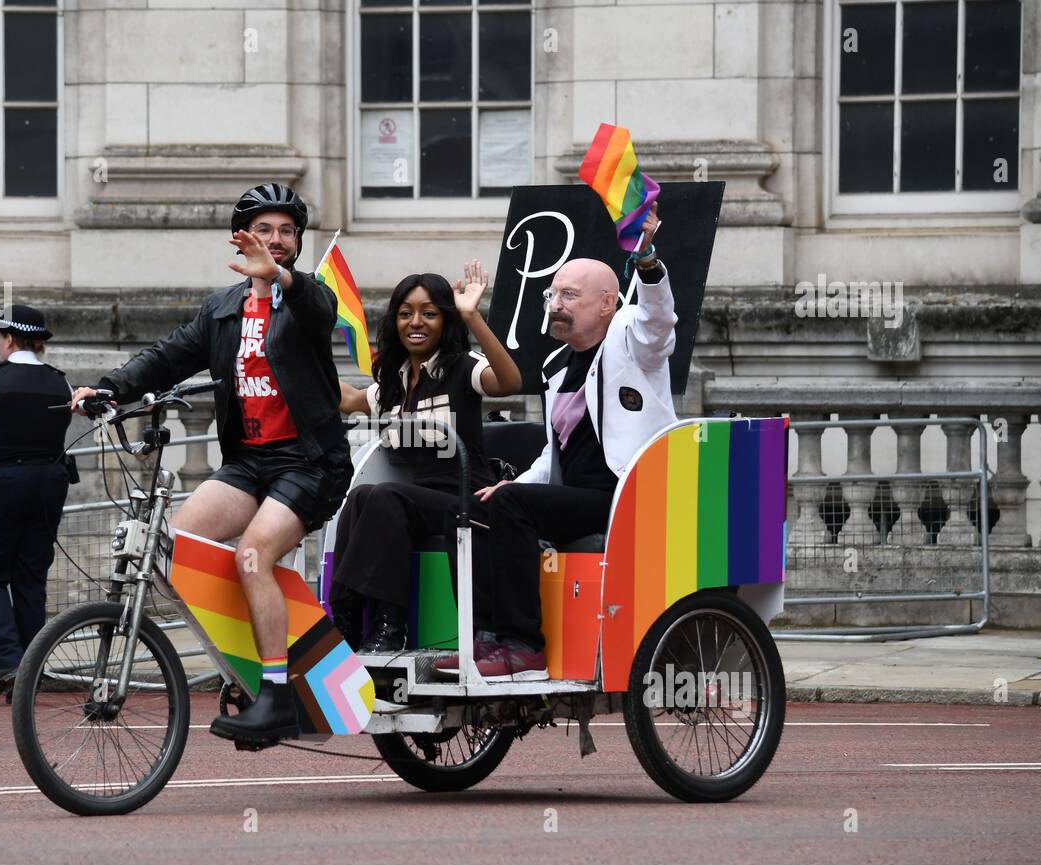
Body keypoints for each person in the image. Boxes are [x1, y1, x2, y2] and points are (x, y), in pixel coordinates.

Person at [70, 183, 349, 746]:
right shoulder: (221, 309)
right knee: (176, 550)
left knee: (252, 554)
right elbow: (167, 357)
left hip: (310, 463)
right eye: (264, 230)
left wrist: (280, 276)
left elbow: (319, 309)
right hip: (249, 464)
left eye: (287, 231)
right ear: (241, 237)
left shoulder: (309, 298)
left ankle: (276, 695)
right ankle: (253, 666)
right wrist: (109, 389)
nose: (276, 240)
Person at [436, 205, 675, 681]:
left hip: (623, 494)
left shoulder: (631, 341)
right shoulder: (556, 366)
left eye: (569, 295)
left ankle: (524, 646)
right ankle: (484, 638)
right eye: (552, 293)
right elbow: (554, 451)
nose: (555, 303)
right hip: (576, 496)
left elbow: (659, 320)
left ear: (607, 303)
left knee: (514, 506)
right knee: (465, 509)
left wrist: (646, 259)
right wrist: (511, 486)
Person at [330, 262, 521, 654]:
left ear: (445, 320)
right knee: (363, 496)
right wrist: (298, 353)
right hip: (420, 501)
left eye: (429, 313)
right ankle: (345, 610)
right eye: (406, 313)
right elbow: (349, 400)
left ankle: (389, 625)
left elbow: (509, 382)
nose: (416, 322)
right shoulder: (393, 380)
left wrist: (474, 317)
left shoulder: (463, 366)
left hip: (469, 497)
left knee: (383, 495)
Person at [0, 304, 74, 702]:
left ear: (7, 339)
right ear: (38, 342)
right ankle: (30, 669)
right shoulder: (62, 382)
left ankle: (7, 660)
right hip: (50, 484)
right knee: (30, 576)